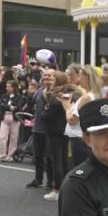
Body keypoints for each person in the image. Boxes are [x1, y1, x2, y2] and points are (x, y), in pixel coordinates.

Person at [39, 71, 70, 202]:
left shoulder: (55, 96)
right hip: (65, 130)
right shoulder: (68, 94)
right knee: (64, 160)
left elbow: (46, 115)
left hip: (54, 131)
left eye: (53, 79)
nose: (50, 81)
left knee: (57, 161)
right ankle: (65, 188)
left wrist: (45, 110)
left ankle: (57, 190)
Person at [25, 70, 53, 190]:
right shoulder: (39, 90)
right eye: (45, 75)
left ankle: (51, 180)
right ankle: (38, 178)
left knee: (50, 156)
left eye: (49, 75)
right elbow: (31, 105)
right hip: (37, 127)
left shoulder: (55, 91)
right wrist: (30, 94)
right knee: (38, 155)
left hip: (50, 128)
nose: (46, 77)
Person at [0, 80, 23, 161]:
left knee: (13, 137)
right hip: (5, 116)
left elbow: (18, 106)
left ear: (13, 87)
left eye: (8, 86)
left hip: (14, 117)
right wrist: (8, 107)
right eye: (6, 86)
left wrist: (7, 106)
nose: (6, 88)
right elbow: (0, 105)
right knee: (2, 137)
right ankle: (1, 155)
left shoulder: (18, 96)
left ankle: (10, 155)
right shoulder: (4, 96)